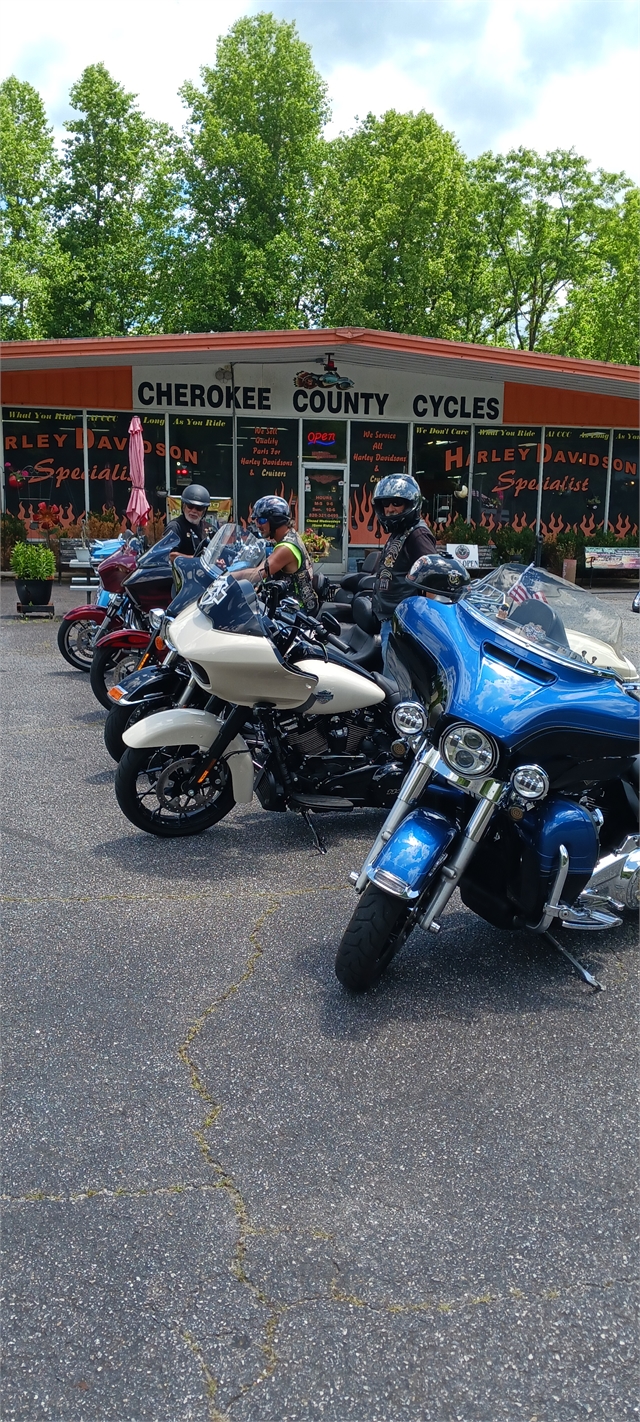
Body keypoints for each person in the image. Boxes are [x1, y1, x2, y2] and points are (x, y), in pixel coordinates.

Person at [371, 474, 436, 683]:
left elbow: (432, 576)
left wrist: (421, 622)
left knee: (394, 685)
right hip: (389, 619)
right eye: (385, 504)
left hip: (401, 622)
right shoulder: (400, 531)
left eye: (397, 503)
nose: (390, 509)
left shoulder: (417, 534)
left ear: (411, 504)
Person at [240, 495, 318, 613]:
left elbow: (258, 574)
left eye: (261, 520)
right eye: (256, 520)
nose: (257, 525)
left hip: (295, 614)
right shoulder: (290, 536)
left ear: (276, 520)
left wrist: (227, 576)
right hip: (287, 606)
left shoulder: (286, 548)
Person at [166, 485, 210, 560]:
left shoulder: (208, 528)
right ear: (183, 506)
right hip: (181, 571)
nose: (194, 511)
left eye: (199, 508)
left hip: (203, 570)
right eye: (190, 506)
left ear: (204, 511)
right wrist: (194, 559)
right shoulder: (175, 526)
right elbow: (169, 555)